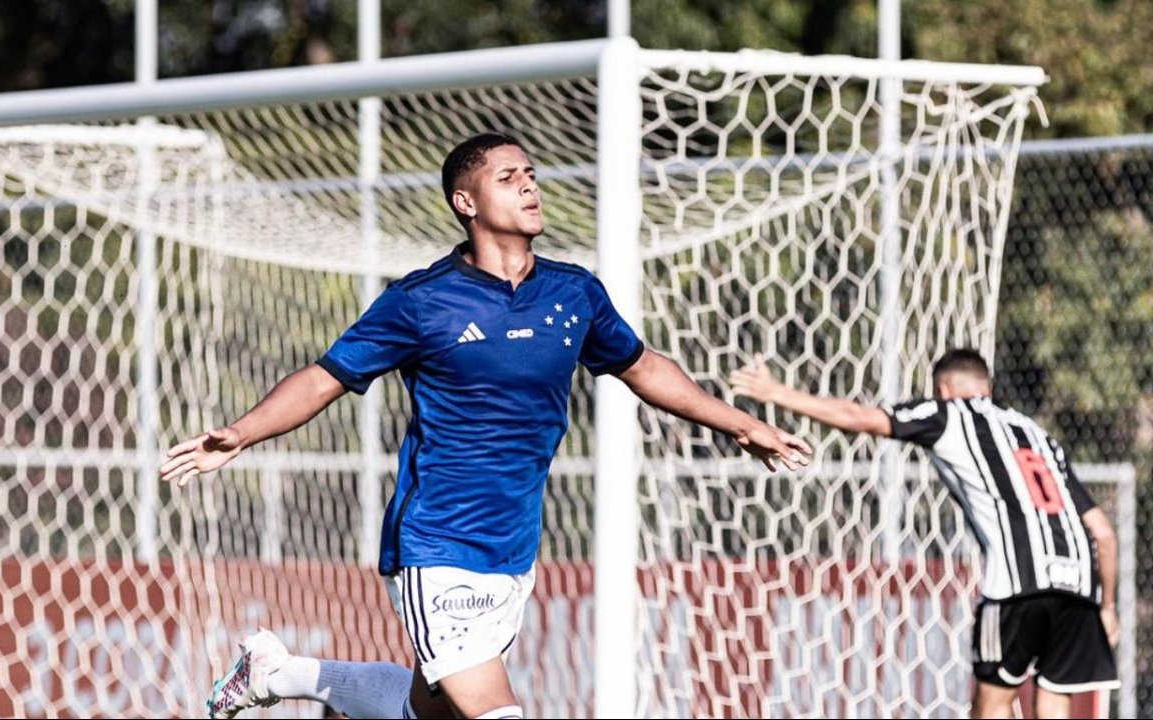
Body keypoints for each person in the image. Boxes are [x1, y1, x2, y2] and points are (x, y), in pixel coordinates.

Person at [161, 132, 813, 720]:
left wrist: (740, 424)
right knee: (496, 712)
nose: (529, 184)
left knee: (428, 711)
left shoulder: (573, 294)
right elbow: (325, 375)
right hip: (438, 541)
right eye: (507, 177)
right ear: (465, 203)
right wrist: (242, 432)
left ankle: (281, 672)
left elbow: (643, 367)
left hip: (514, 547)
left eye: (530, 172)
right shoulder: (421, 301)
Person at [728, 348, 1120, 719]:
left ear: (944, 389)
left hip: (1016, 585)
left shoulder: (948, 412)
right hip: (1082, 586)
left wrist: (775, 392)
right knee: (1055, 706)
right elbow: (1102, 532)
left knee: (993, 705)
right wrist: (1108, 607)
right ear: (987, 386)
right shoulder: (1037, 435)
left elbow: (860, 418)